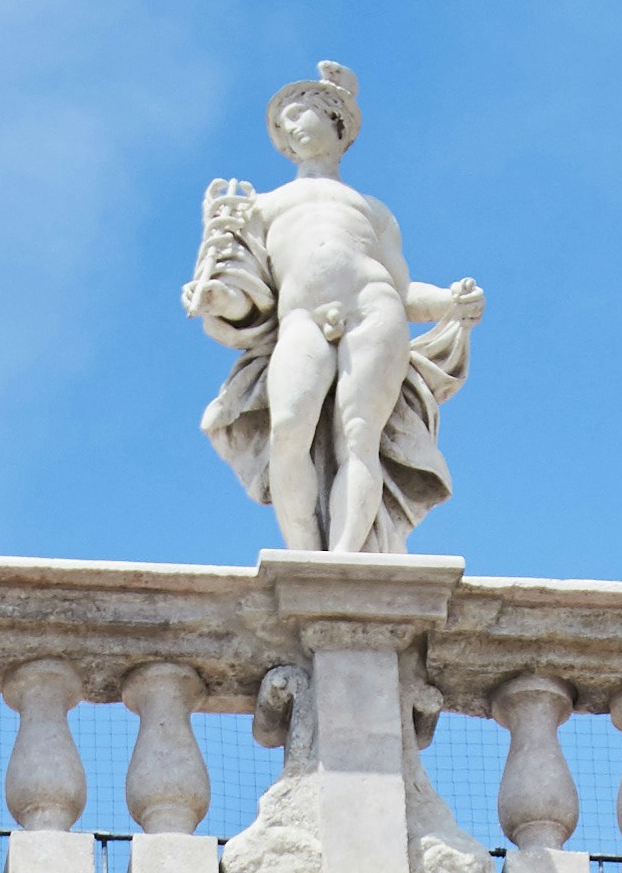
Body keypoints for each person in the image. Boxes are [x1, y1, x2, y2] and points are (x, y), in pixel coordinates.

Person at [184, 63, 482, 554]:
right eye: (283, 125)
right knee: (288, 432)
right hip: (299, 318)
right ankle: (304, 559)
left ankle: (346, 560)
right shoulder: (263, 206)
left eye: (300, 115)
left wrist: (452, 301)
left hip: (374, 309)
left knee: (359, 437)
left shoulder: (372, 209)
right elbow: (250, 297)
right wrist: (218, 295)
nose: (290, 129)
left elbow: (404, 293)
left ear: (337, 121)